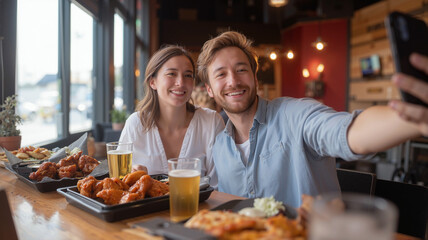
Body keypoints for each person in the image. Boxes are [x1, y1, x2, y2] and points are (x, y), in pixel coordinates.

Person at [197, 31, 425, 208]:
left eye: (241, 69)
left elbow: (349, 133)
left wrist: (415, 120)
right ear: (209, 89)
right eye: (221, 74)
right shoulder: (220, 146)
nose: (233, 81)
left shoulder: (295, 115)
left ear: (255, 77)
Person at [119, 45, 225, 187]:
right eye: (171, 74)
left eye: (188, 75)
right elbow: (119, 184)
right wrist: (133, 178)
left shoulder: (211, 122)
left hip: (200, 208)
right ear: (153, 82)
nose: (180, 83)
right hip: (148, 209)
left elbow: (218, 185)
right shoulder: (135, 124)